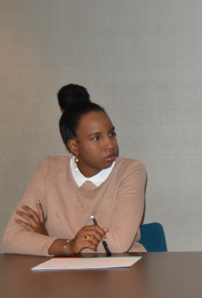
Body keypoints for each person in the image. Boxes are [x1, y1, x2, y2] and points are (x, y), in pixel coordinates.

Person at [3, 99, 147, 256]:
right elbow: (12, 238)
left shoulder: (130, 171)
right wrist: (67, 245)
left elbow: (118, 243)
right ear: (74, 146)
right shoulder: (50, 169)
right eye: (96, 138)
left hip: (119, 273)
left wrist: (50, 241)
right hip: (63, 275)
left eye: (111, 134)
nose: (110, 145)